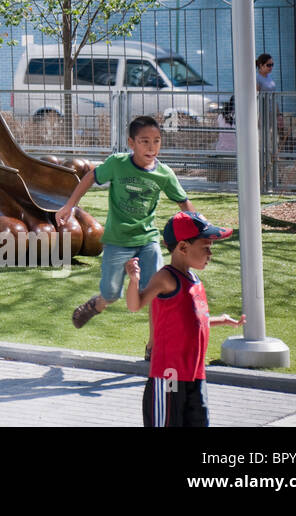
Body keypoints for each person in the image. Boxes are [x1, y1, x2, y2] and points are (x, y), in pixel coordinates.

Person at [56, 115, 195, 329]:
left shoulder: (164, 174)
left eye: (156, 140)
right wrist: (70, 206)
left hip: (148, 239)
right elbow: (91, 177)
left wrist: (196, 230)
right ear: (131, 143)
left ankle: (153, 345)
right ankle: (97, 304)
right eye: (144, 141)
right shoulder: (117, 164)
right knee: (111, 294)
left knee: (157, 292)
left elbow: (184, 203)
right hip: (117, 240)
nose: (151, 147)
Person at [125, 211, 241, 427]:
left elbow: (193, 321)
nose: (210, 253)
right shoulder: (166, 277)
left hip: (195, 376)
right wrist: (134, 281)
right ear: (183, 247)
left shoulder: (194, 280)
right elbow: (135, 305)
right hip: (169, 377)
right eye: (206, 247)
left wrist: (221, 320)